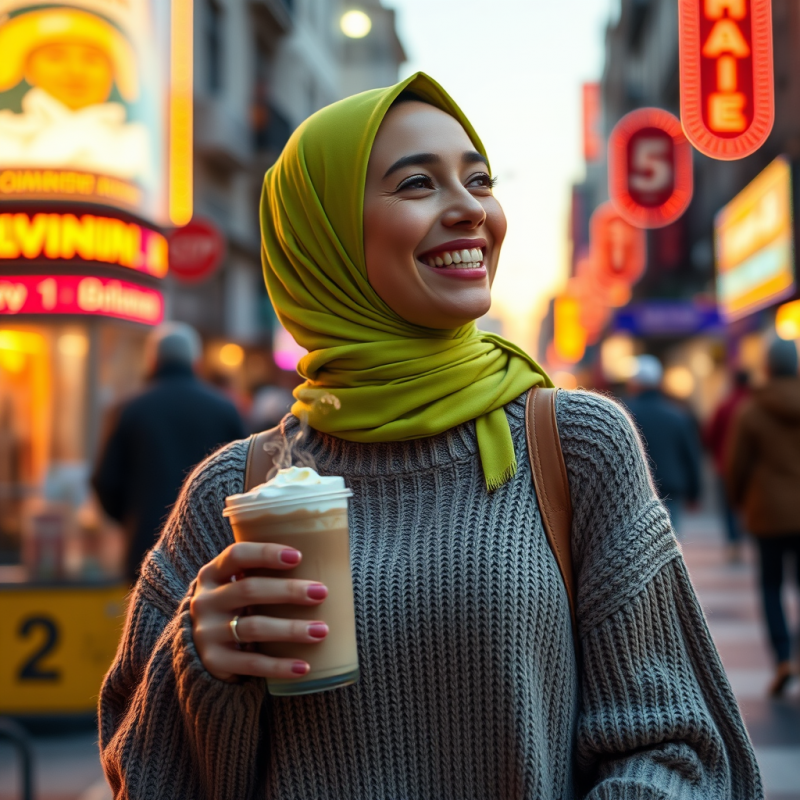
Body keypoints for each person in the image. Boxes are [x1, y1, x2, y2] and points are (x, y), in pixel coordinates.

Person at [98, 75, 760, 799]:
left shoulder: (575, 445)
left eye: (479, 180)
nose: (470, 209)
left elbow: (674, 746)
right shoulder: (233, 490)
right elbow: (139, 774)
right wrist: (200, 663)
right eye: (418, 184)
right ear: (326, 236)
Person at [92, 323, 246, 582]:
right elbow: (246, 478)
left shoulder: (130, 410)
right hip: (213, 550)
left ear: (153, 361)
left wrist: (133, 517)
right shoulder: (224, 410)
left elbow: (105, 481)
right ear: (196, 363)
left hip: (147, 549)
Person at [0, 6, 151, 181]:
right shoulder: (5, 135)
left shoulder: (139, 143)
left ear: (114, 72)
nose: (76, 71)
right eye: (55, 57)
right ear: (27, 69)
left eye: (91, 59)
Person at [727, 337, 800, 696]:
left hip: (768, 512)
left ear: (767, 367)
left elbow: (736, 465)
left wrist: (738, 501)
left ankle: (784, 658)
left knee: (771, 586)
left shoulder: (752, 410)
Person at [624, 355, 702, 533]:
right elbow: (690, 455)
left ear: (635, 383)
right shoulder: (677, 415)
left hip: (635, 491)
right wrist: (694, 493)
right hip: (670, 489)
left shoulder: (624, 414)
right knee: (670, 540)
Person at [704, 369, 750, 560]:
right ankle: (751, 538)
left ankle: (733, 543)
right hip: (753, 468)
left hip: (726, 465)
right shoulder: (753, 404)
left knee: (729, 507)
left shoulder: (725, 406)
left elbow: (710, 436)